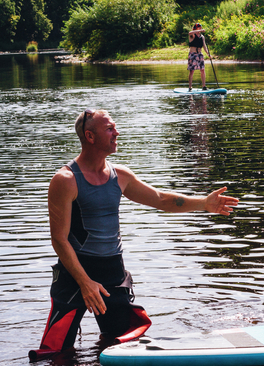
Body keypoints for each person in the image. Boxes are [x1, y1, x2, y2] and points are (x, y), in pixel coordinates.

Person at [28, 109, 239, 361]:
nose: (116, 132)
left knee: (122, 348)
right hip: (75, 276)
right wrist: (85, 283)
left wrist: (204, 203)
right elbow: (59, 239)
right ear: (90, 136)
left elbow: (161, 199)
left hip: (112, 273)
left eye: (114, 127)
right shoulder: (65, 180)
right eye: (109, 129)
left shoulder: (121, 176)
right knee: (56, 354)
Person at [188, 23, 209, 91]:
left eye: (200, 27)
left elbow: (204, 46)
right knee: (192, 71)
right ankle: (190, 87)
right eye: (199, 27)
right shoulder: (192, 35)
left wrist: (208, 54)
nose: (200, 28)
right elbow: (189, 32)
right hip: (193, 54)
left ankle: (204, 86)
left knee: (202, 70)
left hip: (200, 54)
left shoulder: (202, 37)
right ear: (196, 28)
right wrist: (197, 31)